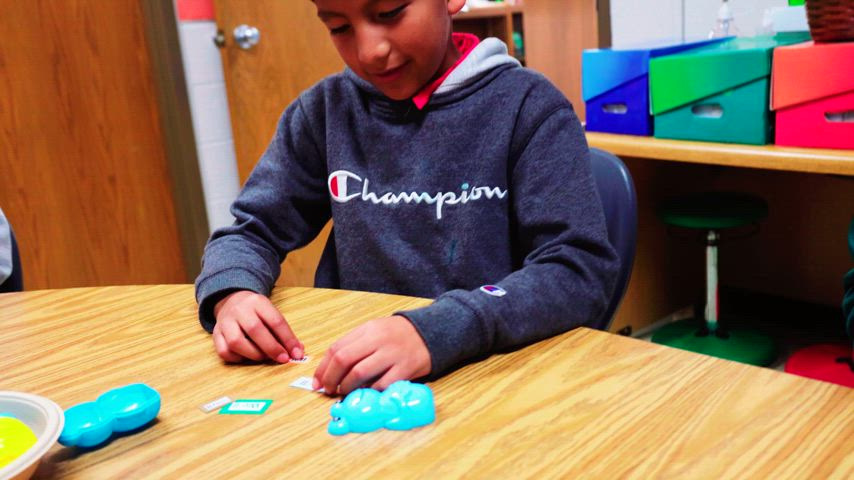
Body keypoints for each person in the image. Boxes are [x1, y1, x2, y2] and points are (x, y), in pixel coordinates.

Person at [195, 0, 619, 396]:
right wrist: (233, 293)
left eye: (390, 11)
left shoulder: (530, 107)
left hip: (498, 377)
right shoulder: (324, 112)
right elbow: (250, 232)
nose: (370, 51)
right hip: (359, 384)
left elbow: (577, 271)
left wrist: (438, 330)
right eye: (339, 26)